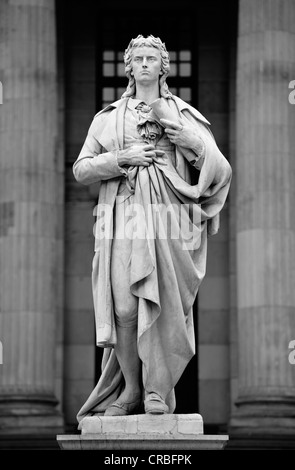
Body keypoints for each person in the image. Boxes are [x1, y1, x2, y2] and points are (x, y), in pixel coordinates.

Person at [73, 35, 232, 421]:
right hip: (124, 217)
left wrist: (192, 141)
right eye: (138, 58)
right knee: (125, 308)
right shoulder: (107, 117)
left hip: (168, 220)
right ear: (129, 67)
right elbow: (81, 169)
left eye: (151, 58)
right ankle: (130, 390)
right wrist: (120, 158)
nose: (144, 64)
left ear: (163, 66)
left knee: (163, 309)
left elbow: (221, 169)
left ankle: (158, 391)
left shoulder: (183, 113)